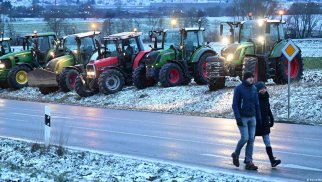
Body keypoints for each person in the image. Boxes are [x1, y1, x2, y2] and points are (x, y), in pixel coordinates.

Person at [231, 71, 261, 170]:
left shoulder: (254, 88)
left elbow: (257, 104)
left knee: (251, 139)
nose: (252, 79)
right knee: (245, 138)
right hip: (242, 118)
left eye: (252, 77)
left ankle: (249, 161)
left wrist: (259, 117)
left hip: (252, 117)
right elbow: (235, 105)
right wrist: (238, 118)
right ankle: (236, 154)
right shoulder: (239, 89)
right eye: (249, 77)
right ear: (245, 79)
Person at [255, 81, 281, 167]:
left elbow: (268, 109)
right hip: (256, 123)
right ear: (258, 90)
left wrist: (272, 118)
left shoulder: (266, 97)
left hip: (265, 123)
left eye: (264, 88)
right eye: (262, 88)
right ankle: (247, 160)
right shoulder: (255, 98)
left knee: (267, 142)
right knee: (250, 141)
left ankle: (272, 161)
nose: (264, 90)